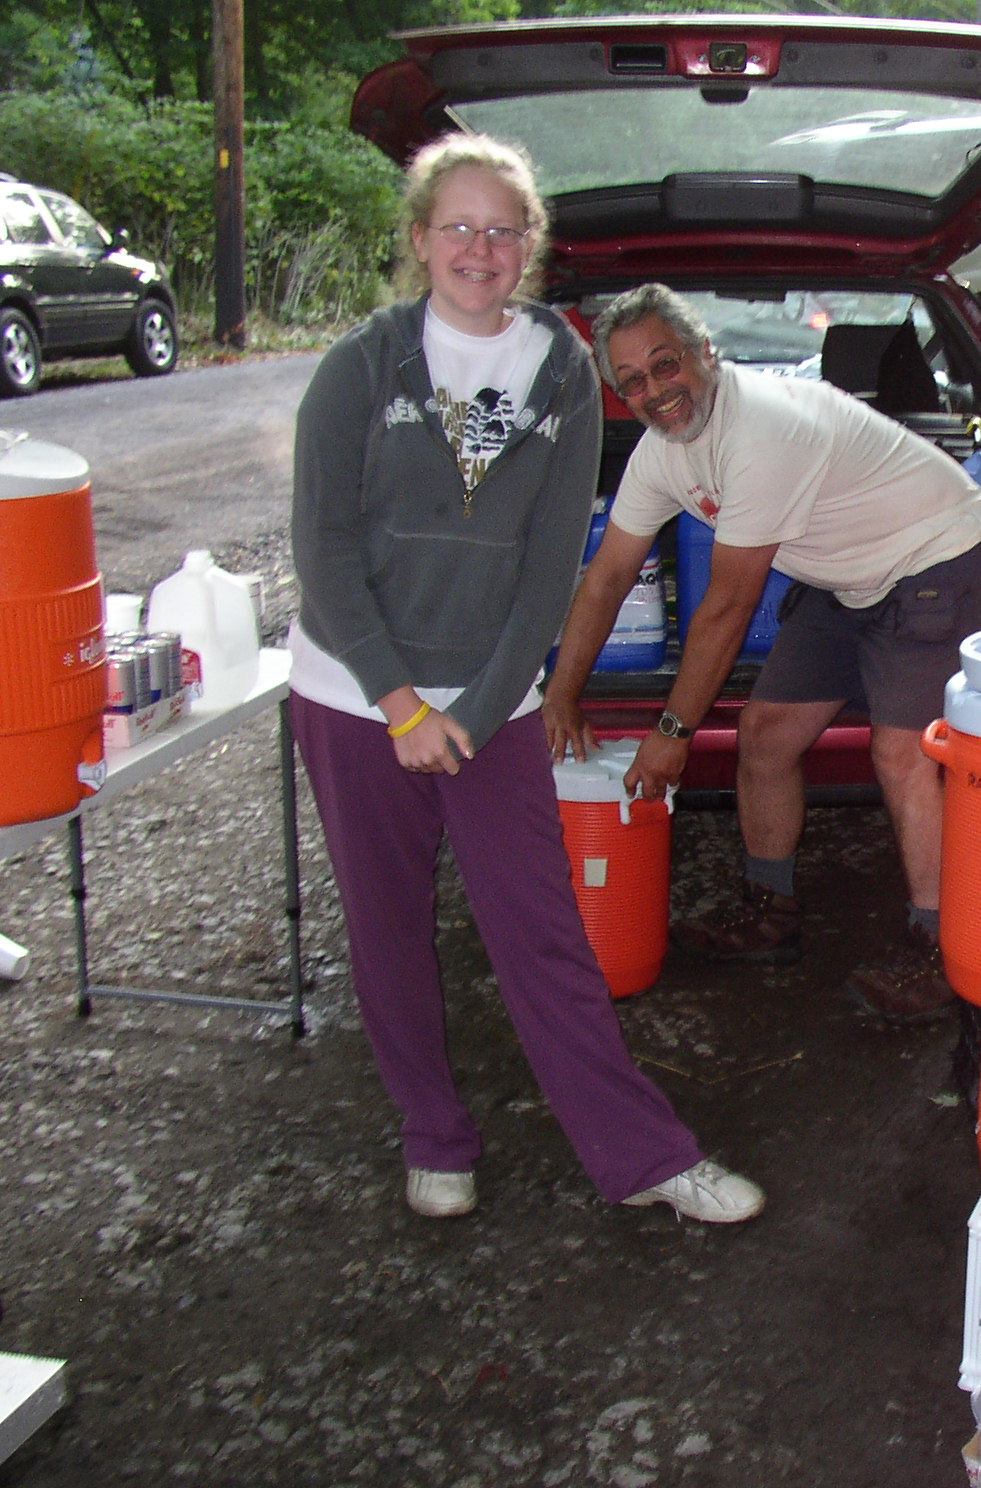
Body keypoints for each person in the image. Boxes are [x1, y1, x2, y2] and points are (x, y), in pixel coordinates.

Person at [289, 134, 762, 1226]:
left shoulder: (561, 370)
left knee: (541, 932)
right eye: (457, 227)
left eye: (503, 230)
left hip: (491, 705)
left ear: (530, 249)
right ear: (419, 241)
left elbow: (555, 560)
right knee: (389, 926)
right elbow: (321, 545)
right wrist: (400, 702)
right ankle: (434, 1136)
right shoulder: (360, 366)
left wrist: (481, 699)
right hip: (354, 696)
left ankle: (645, 1155)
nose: (480, 248)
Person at [540, 283, 981, 1023]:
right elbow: (607, 577)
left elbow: (726, 610)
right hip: (845, 574)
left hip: (937, 552)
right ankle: (769, 914)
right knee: (764, 736)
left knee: (902, 754)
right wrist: (560, 694)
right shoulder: (664, 452)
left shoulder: (758, 428)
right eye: (631, 380)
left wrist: (671, 735)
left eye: (666, 365)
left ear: (705, 355)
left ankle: (937, 949)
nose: (654, 390)